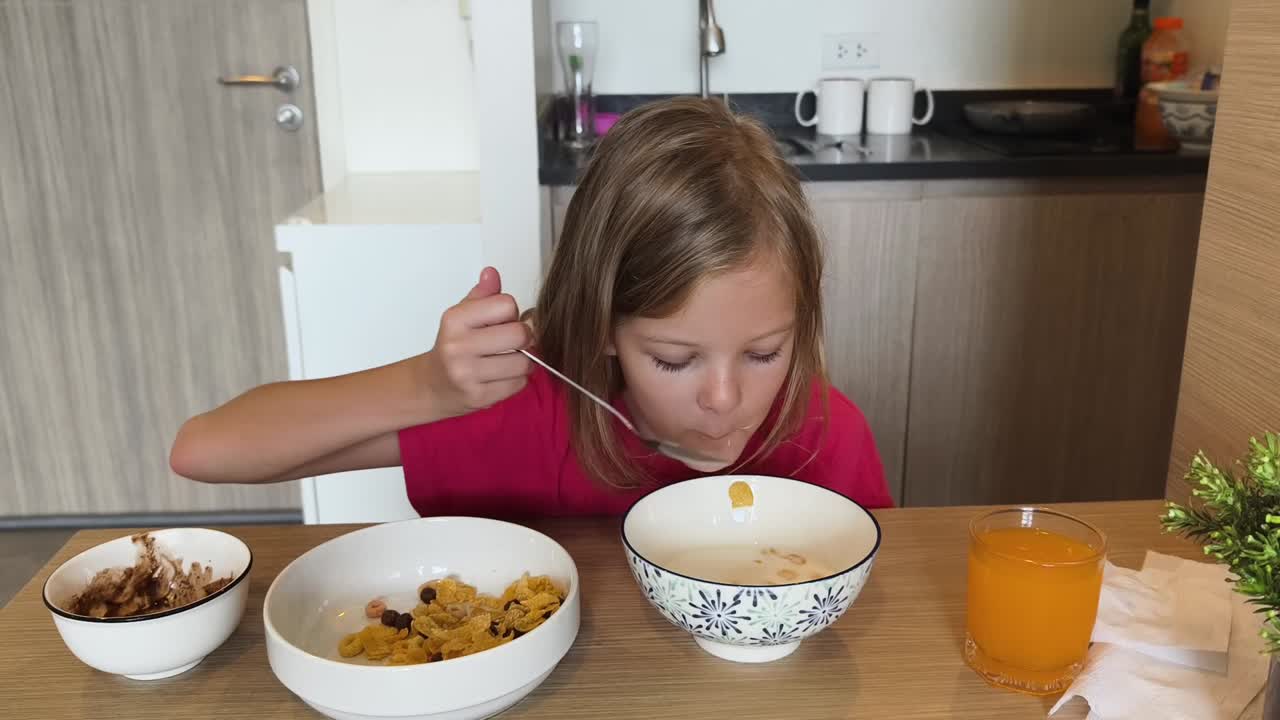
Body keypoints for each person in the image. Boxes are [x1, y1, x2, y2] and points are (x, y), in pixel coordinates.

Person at [169, 97, 894, 517]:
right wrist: (427, 385)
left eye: (765, 352)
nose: (725, 400)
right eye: (673, 358)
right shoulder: (525, 405)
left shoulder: (823, 435)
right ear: (601, 325)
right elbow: (203, 450)